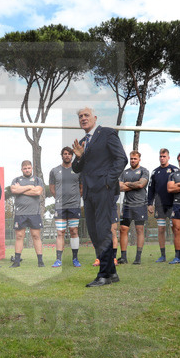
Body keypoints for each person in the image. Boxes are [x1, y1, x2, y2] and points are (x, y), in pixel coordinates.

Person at [71, 106, 128, 287]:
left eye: (86, 115)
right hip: (88, 193)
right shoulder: (82, 142)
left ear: (94, 117)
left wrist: (108, 181)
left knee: (103, 231)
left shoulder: (107, 133)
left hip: (104, 190)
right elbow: (76, 168)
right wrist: (79, 157)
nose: (83, 118)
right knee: (95, 233)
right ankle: (111, 272)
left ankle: (103, 275)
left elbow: (121, 159)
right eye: (80, 116)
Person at [49, 147, 82, 268]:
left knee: (74, 231)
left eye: (69, 154)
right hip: (60, 207)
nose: (67, 156)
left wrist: (76, 198)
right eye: (65, 154)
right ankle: (58, 260)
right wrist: (59, 198)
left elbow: (81, 187)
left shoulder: (78, 170)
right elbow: (52, 187)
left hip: (74, 206)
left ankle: (75, 259)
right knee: (60, 232)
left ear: (72, 156)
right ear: (61, 155)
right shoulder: (54, 171)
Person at [10, 160, 45, 268]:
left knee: (36, 236)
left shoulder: (38, 180)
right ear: (22, 169)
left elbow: (38, 192)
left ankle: (40, 261)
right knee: (19, 236)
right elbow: (13, 190)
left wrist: (20, 189)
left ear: (32, 168)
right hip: (20, 213)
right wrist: (29, 187)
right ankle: (16, 262)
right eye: (25, 168)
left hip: (34, 213)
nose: (27, 170)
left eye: (29, 168)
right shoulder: (16, 179)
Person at [117, 150, 149, 265]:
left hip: (140, 205)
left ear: (139, 159)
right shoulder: (124, 172)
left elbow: (141, 184)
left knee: (139, 230)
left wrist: (127, 184)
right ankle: (124, 257)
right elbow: (119, 187)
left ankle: (138, 257)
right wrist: (134, 184)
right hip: (127, 206)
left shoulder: (144, 171)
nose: (133, 160)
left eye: (135, 159)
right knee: (123, 229)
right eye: (131, 159)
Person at [147, 148, 178, 262]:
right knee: (161, 229)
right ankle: (163, 255)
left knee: (175, 229)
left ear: (168, 157)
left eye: (164, 156)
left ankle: (177, 255)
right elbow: (150, 188)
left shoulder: (174, 170)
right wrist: (150, 203)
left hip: (173, 204)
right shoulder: (155, 172)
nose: (162, 158)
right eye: (160, 156)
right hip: (159, 204)